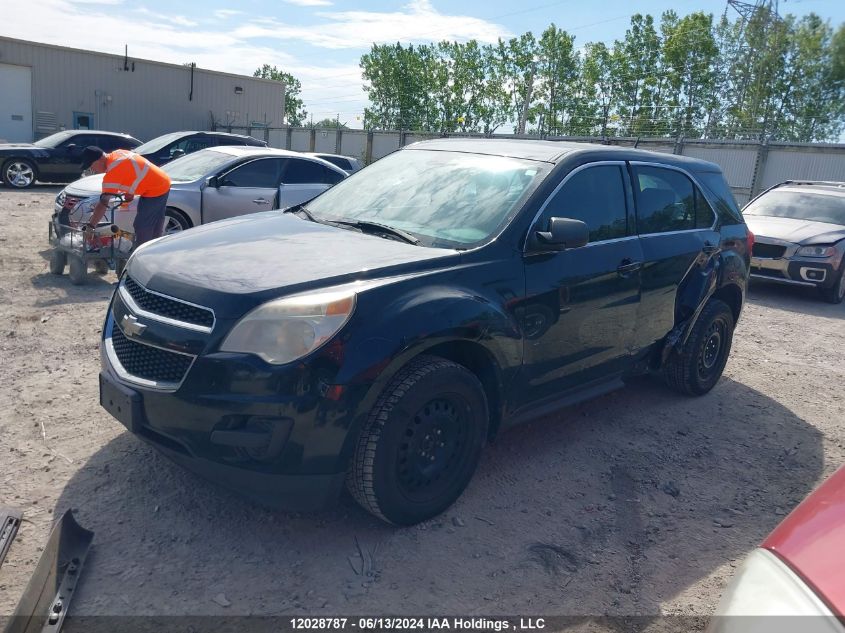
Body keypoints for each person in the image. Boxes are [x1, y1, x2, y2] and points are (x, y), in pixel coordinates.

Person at [78, 146, 171, 248]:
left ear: (100, 159)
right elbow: (134, 169)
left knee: (142, 225)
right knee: (154, 222)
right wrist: (130, 192)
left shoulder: (113, 172)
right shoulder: (118, 153)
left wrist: (91, 226)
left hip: (156, 188)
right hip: (161, 180)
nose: (92, 169)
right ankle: (155, 248)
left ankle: (141, 253)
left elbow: (103, 203)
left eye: (91, 165)